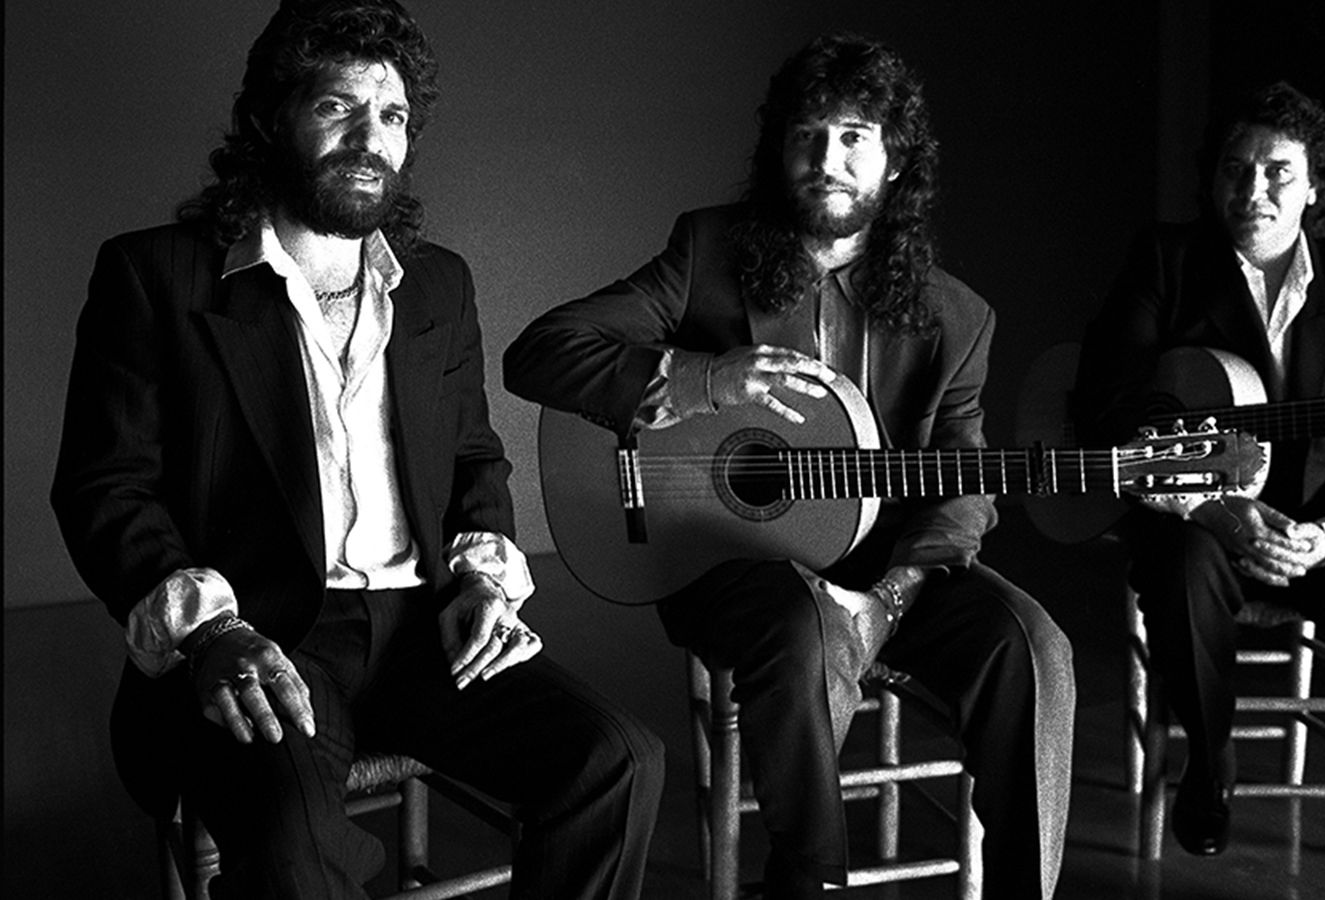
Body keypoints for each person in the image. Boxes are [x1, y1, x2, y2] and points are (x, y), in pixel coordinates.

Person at [50, 2, 664, 897]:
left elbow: (474, 458)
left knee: (619, 761)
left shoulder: (438, 284)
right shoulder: (154, 275)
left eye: (393, 116)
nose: (370, 139)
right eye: (337, 106)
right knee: (297, 852)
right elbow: (106, 486)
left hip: (424, 630)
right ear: (272, 118)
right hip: (263, 635)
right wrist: (214, 633)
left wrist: (484, 584)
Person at [504, 32, 1074, 900]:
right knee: (800, 622)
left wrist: (887, 598)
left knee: (1032, 644)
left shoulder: (958, 316)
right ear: (779, 149)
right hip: (734, 565)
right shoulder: (709, 253)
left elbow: (964, 485)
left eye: (854, 137)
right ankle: (809, 883)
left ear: (895, 161)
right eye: (807, 134)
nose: (826, 159)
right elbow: (539, 352)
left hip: (893, 574)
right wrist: (696, 379)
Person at [1075, 81, 1325, 899]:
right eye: (1235, 169)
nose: (1254, 190)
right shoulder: (1168, 263)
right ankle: (1211, 763)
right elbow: (1107, 400)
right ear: (1212, 181)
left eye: (1278, 171)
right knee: (1179, 568)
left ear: (1314, 187)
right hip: (1199, 514)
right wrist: (1216, 506)